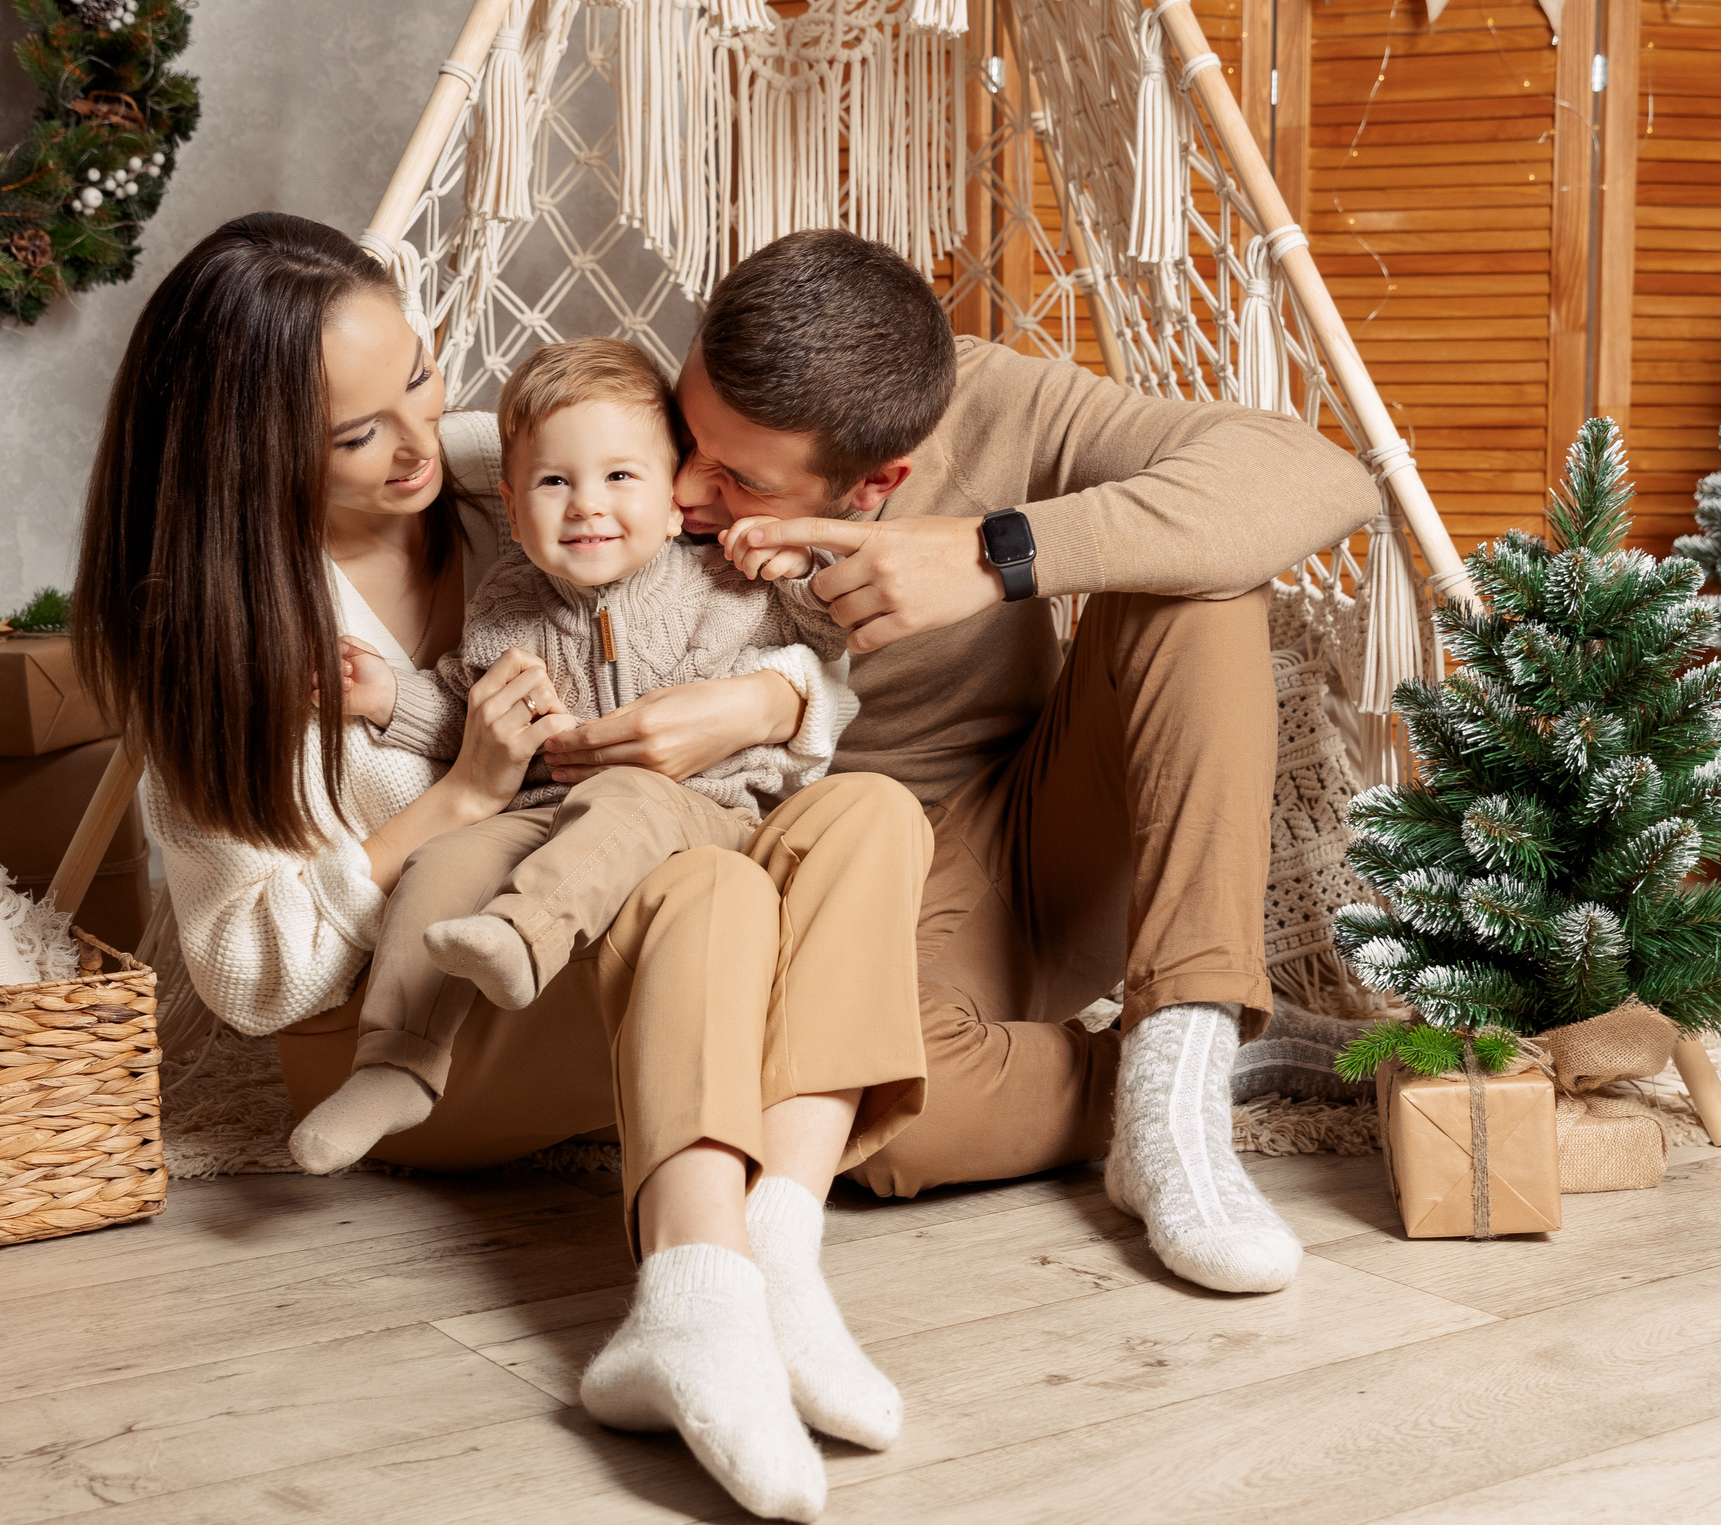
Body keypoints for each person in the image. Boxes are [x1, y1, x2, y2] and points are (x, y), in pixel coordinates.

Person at [73, 214, 930, 1525]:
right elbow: (251, 976)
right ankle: (699, 1290)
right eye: (358, 435)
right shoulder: (229, 637)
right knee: (713, 889)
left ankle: (776, 1252)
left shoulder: (497, 470)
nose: (421, 439)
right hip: (431, 1021)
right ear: (255, 464)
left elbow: (709, 554)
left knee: (869, 809)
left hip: (628, 950)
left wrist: (762, 699)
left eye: (419, 373)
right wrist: (456, 795)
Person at [553, 229, 1383, 1294]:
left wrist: (993, 554)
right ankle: (1174, 1076)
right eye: (685, 436)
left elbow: (1313, 476)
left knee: (1203, 576)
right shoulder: (637, 470)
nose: (685, 492)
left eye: (737, 478)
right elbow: (513, 454)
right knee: (884, 1131)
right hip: (842, 904)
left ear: (875, 483)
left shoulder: (990, 402)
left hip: (1030, 845)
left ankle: (1184, 1049)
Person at [291, 336, 853, 1174]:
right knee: (442, 858)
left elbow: (827, 635)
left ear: (677, 503)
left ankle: (523, 934)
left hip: (699, 824)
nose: (587, 504)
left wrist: (804, 566)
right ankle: (396, 1063)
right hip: (544, 823)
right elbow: (465, 717)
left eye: (620, 477)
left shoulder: (729, 585)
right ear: (514, 514)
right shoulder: (507, 606)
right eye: (556, 482)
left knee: (626, 796)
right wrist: (388, 697)